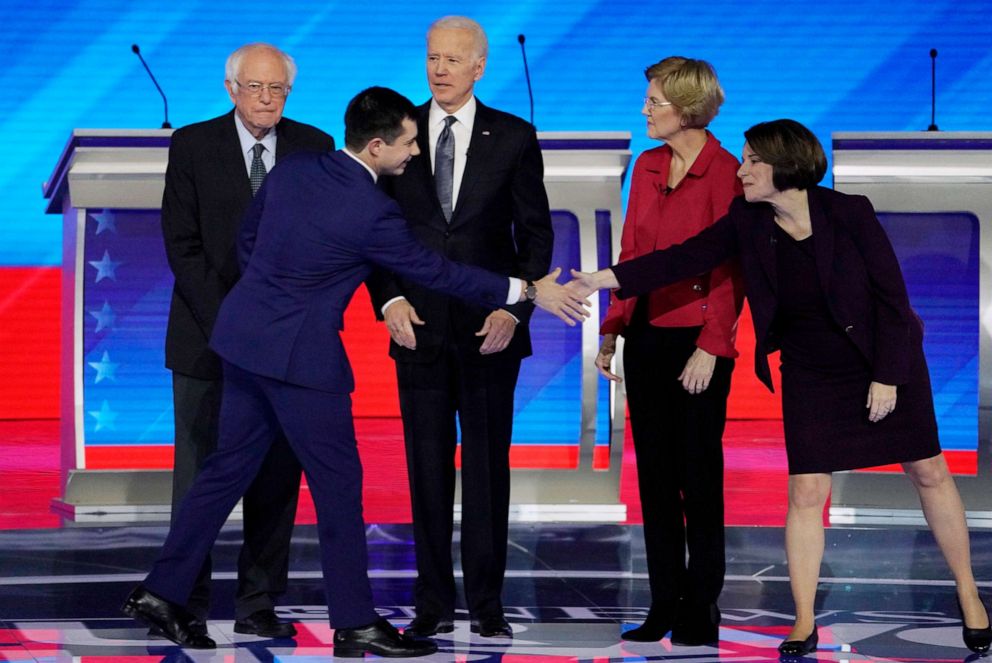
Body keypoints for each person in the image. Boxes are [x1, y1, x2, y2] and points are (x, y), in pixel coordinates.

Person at [123, 86, 587, 658]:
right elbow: (438, 272)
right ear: (375, 146)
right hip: (300, 361)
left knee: (223, 472)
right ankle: (356, 621)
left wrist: (276, 298)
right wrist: (525, 289)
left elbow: (249, 241)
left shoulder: (294, 171)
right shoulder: (373, 212)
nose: (416, 151)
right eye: (410, 142)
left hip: (244, 340)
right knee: (339, 487)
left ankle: (162, 592)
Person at [565, 119, 992, 656]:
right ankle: (804, 620)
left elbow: (891, 300)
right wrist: (603, 278)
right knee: (806, 491)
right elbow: (687, 257)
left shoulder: (848, 212)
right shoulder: (748, 219)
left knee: (928, 471)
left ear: (784, 165)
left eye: (751, 161)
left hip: (879, 356)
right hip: (812, 370)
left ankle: (969, 595)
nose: (740, 170)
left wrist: (887, 375)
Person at [366, 16, 553, 639]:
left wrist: (515, 308)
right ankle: (432, 602)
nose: (439, 69)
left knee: (486, 469)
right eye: (431, 58)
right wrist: (388, 299)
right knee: (425, 469)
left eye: (452, 59)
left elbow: (536, 235)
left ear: (479, 67)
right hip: (416, 326)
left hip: (488, 329)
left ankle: (488, 602)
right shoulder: (399, 133)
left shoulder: (515, 136)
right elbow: (374, 228)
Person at [160, 42, 334, 638]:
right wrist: (233, 322)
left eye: (277, 90)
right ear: (231, 89)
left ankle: (258, 601)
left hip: (286, 345)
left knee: (276, 475)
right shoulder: (192, 145)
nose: (267, 100)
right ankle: (182, 602)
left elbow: (324, 243)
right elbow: (182, 246)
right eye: (255, 88)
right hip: (207, 339)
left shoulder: (314, 147)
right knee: (201, 478)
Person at [596, 57, 743, 646]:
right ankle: (662, 602)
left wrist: (713, 343)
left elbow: (733, 269)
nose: (644, 110)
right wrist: (614, 326)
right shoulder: (649, 164)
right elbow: (632, 251)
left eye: (653, 102)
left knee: (698, 475)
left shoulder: (727, 172)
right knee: (654, 476)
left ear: (686, 108)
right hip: (651, 335)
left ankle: (701, 606)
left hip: (699, 340)